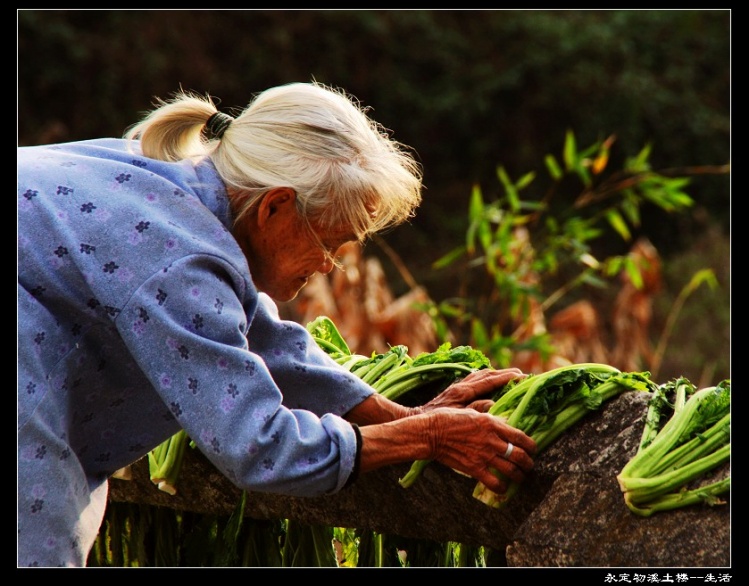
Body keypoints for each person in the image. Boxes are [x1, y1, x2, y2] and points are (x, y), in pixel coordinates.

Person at [17, 81, 536, 567]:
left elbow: (258, 335)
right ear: (276, 207)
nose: (331, 265)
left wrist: (398, 414)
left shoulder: (162, 183)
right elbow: (258, 446)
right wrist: (424, 438)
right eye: (330, 242)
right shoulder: (176, 256)